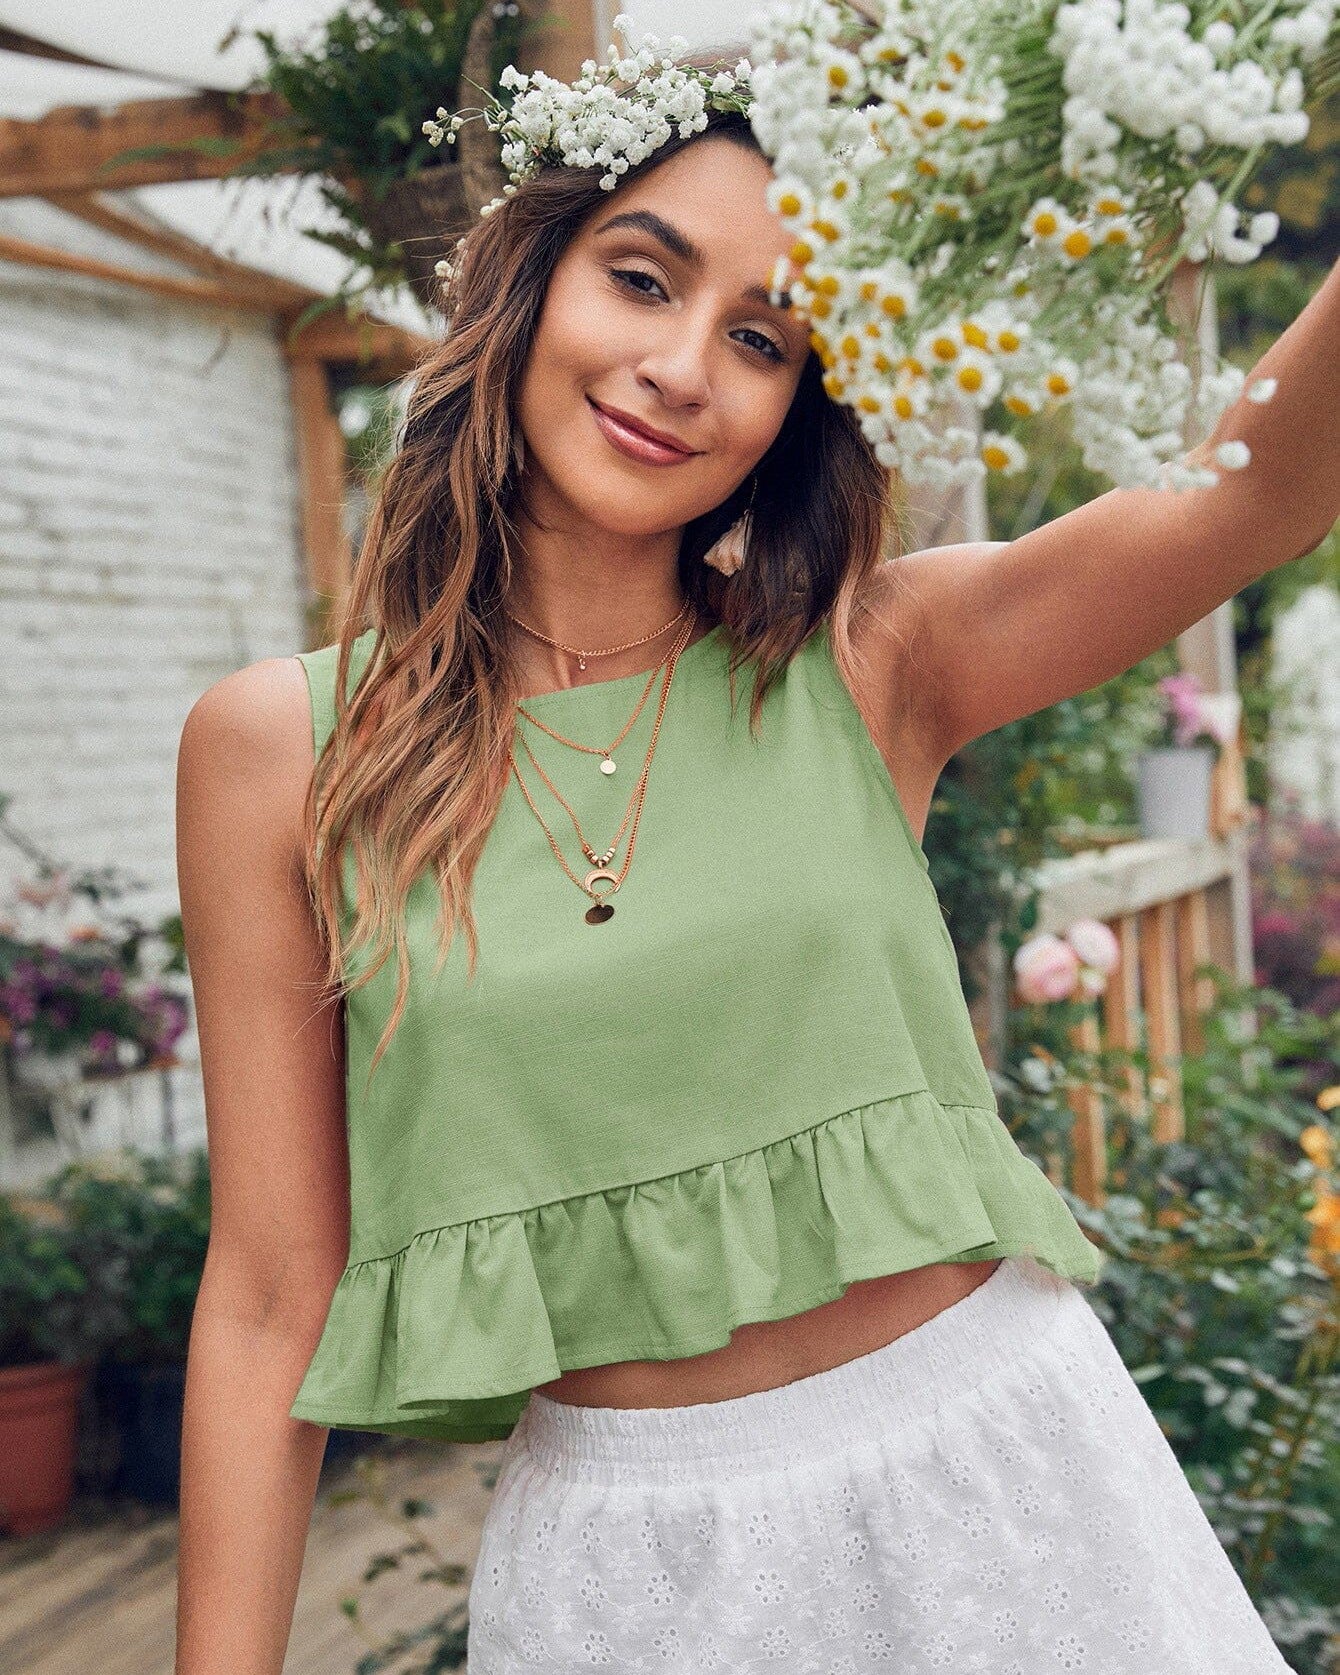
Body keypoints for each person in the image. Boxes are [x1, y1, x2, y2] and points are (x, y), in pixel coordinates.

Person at [172, 35, 1338, 1675]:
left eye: (761, 337)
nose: (680, 367)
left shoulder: (872, 658)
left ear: (798, 403)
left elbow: (1261, 491)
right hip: (626, 1575)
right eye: (640, 279)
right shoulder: (277, 753)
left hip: (1011, 1489)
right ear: (529, 285)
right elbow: (268, 1295)